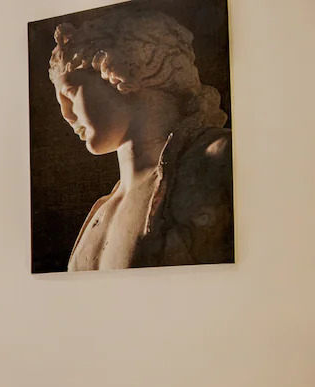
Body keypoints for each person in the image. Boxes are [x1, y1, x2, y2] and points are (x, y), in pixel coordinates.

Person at [49, 9, 233, 271]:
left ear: (121, 70)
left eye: (69, 92)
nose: (67, 115)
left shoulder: (219, 160)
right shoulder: (102, 210)